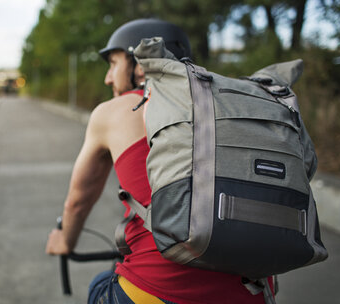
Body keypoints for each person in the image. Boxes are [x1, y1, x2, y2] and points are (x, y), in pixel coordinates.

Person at [46, 18, 271, 304]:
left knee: (101, 285)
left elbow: (77, 201)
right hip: (255, 292)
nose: (108, 78)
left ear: (140, 65)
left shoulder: (116, 110)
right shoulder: (228, 105)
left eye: (113, 64)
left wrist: (65, 240)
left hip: (159, 290)